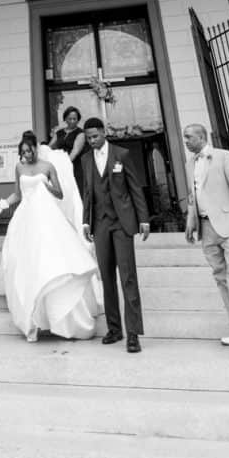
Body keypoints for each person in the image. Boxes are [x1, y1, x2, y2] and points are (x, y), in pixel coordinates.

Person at [0, 131, 98, 343]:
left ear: (35, 149)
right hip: (25, 217)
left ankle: (63, 319)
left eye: (28, 151)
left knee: (51, 260)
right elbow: (17, 195)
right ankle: (31, 318)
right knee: (25, 262)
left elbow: (60, 193)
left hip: (47, 215)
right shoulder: (19, 168)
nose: (25, 156)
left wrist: (46, 186)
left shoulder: (48, 167)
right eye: (22, 153)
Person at [183, 124, 229, 354]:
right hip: (206, 228)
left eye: (189, 137)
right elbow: (193, 195)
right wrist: (190, 221)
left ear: (202, 137)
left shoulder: (224, 157)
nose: (185, 141)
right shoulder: (189, 163)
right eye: (184, 138)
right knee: (220, 277)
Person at [81, 117, 150, 353]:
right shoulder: (86, 159)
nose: (91, 141)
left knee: (127, 277)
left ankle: (133, 333)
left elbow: (135, 188)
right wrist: (86, 222)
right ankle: (115, 328)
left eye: (95, 136)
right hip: (100, 225)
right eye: (88, 138)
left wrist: (143, 219)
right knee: (107, 278)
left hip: (122, 223)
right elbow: (88, 193)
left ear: (103, 133)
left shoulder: (122, 154)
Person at [49, 105, 87, 197]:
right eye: (70, 118)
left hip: (75, 166)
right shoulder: (59, 133)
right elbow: (49, 147)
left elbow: (75, 151)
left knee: (76, 192)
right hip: (60, 166)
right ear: (65, 119)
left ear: (78, 119)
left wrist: (65, 164)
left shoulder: (80, 133)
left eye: (75, 119)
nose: (73, 121)